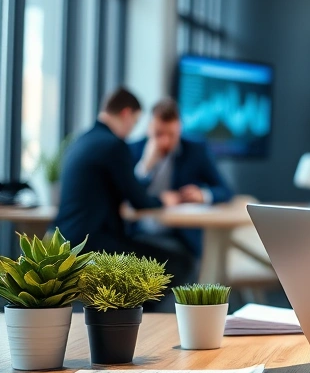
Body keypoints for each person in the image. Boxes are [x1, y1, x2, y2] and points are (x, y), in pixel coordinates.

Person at [50, 88, 195, 292]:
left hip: (67, 244)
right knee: (180, 263)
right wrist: (165, 200)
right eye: (135, 123)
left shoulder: (80, 141)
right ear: (126, 113)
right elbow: (139, 200)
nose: (132, 130)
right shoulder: (114, 146)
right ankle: (136, 315)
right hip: (95, 246)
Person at [129, 98, 234, 260]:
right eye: (158, 134)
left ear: (180, 129)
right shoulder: (133, 149)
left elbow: (226, 190)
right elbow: (127, 197)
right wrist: (145, 166)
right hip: (137, 236)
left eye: (171, 135)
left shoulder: (195, 150)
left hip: (179, 239)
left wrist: (203, 195)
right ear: (149, 128)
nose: (165, 141)